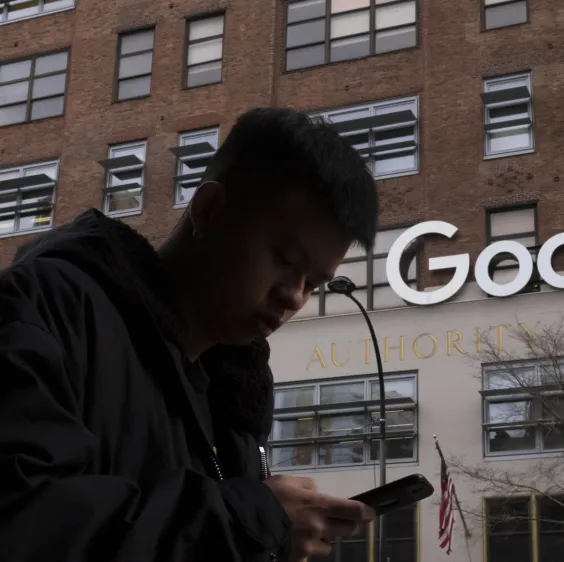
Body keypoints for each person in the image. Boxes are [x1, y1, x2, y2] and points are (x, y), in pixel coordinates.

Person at [0, 107, 380, 561]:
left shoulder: (234, 400)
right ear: (209, 209)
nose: (294, 296)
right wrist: (245, 524)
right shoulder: (45, 308)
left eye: (314, 284)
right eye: (284, 259)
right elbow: (24, 521)